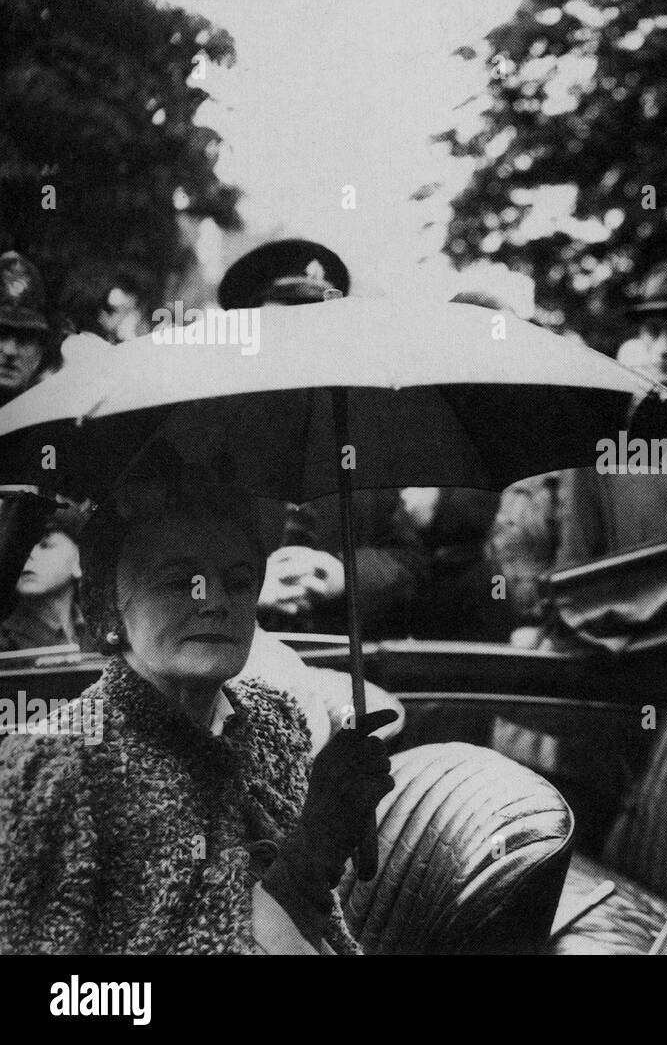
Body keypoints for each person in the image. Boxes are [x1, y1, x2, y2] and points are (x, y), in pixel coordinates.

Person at [0, 456, 395, 953]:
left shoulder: (277, 724)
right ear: (105, 605)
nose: (216, 602)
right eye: (180, 581)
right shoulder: (53, 768)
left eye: (237, 580)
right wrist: (309, 860)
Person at [218, 240, 430, 638]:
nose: (303, 347)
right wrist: (241, 591)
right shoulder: (205, 442)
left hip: (338, 675)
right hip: (225, 674)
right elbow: (155, 569)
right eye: (284, 330)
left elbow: (410, 563)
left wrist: (343, 574)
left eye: (319, 330)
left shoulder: (361, 442)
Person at [555, 260, 667, 570]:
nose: (663, 348)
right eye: (653, 331)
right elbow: (577, 559)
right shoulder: (602, 438)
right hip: (633, 613)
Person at [0, 502, 87, 652]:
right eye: (18, 546)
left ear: (79, 559)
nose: (28, 555)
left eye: (45, 545)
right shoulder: (4, 639)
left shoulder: (103, 629)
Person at [0, 251, 61, 406]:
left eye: (25, 338)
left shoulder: (49, 420)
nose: (10, 351)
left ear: (40, 352)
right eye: (1, 335)